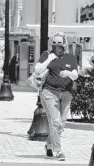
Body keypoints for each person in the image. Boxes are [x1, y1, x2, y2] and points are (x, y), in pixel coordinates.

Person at [34, 32, 78, 161]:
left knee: (61, 124)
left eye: (60, 42)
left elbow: (75, 74)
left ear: (64, 43)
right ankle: (58, 151)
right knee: (56, 121)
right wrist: (49, 59)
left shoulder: (70, 57)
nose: (57, 45)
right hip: (49, 92)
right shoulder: (47, 54)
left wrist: (68, 73)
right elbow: (37, 70)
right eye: (55, 42)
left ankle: (48, 144)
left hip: (66, 93)